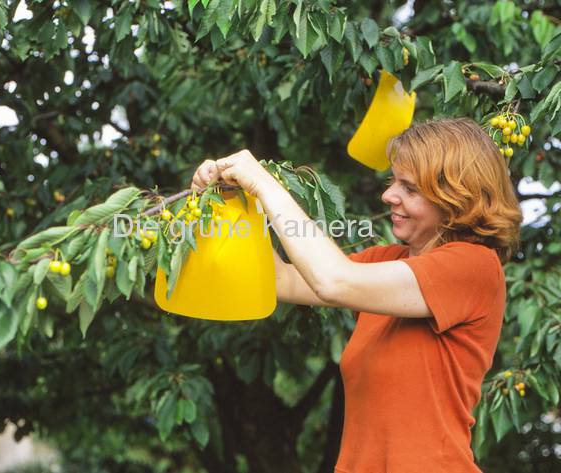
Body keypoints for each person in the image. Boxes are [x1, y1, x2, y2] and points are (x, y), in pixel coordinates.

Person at [191, 117, 523, 472]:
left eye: (410, 189)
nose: (388, 195)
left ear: (457, 198)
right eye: (393, 181)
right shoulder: (386, 261)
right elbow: (280, 279)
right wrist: (233, 200)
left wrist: (264, 185)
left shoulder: (473, 266)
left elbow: (333, 281)